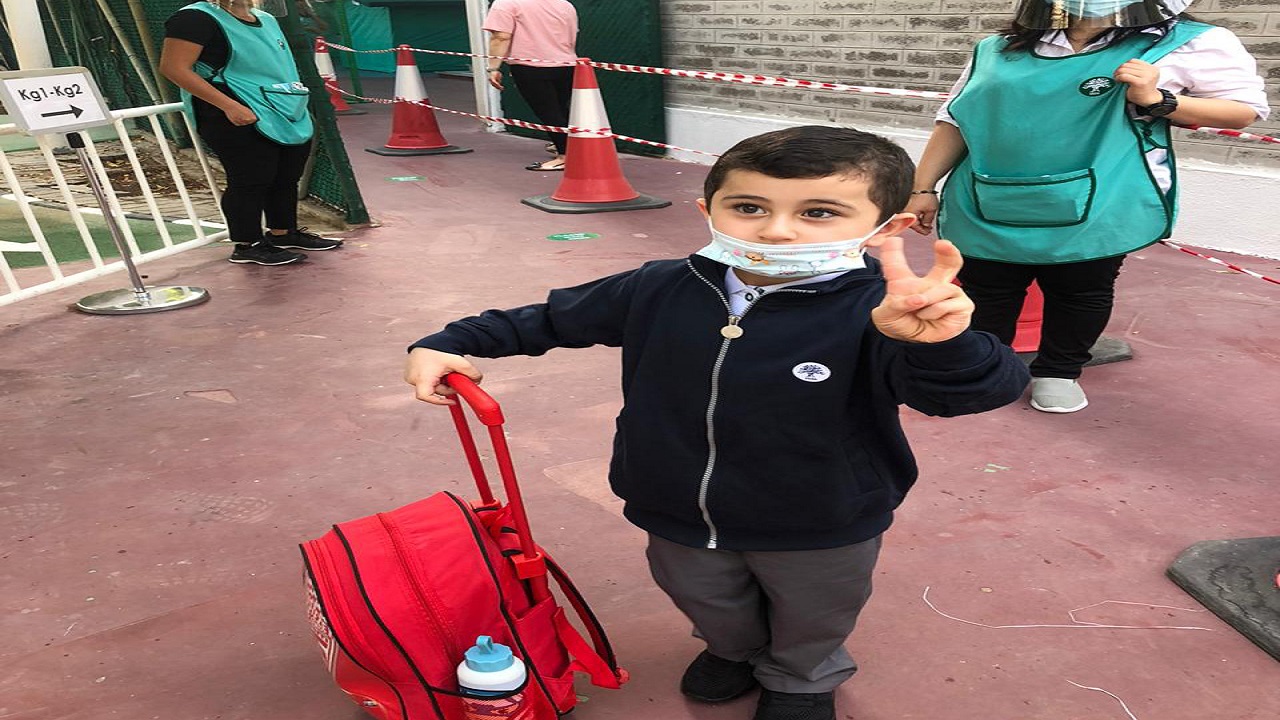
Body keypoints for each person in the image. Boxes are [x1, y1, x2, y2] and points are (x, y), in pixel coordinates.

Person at [404, 126, 1030, 720]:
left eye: (819, 212)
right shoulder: (661, 287)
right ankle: (733, 650)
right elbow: (553, 317)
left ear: (885, 227)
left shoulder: (883, 312)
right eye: (749, 207)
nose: (777, 230)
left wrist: (943, 344)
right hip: (673, 501)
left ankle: (801, 677)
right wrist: (450, 341)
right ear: (708, 210)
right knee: (703, 595)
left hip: (823, 515)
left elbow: (970, 392)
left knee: (815, 612)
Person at [906, 0, 1269, 413]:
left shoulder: (1186, 43)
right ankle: (988, 368)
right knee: (987, 289)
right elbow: (955, 119)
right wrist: (923, 187)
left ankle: (1059, 372)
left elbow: (1243, 111)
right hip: (987, 192)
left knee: (1080, 289)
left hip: (1103, 197)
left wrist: (1158, 98)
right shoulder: (996, 48)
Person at [160, 0, 344, 266]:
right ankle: (247, 244)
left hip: (280, 105)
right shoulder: (195, 18)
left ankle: (283, 233)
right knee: (251, 177)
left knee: (287, 173)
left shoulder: (265, 19)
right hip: (231, 108)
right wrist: (229, 106)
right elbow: (174, 68)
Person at [482, 0, 579, 172]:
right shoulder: (564, 4)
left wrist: (493, 68)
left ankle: (565, 156)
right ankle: (566, 146)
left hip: (530, 66)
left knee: (549, 112)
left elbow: (501, 37)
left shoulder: (506, 3)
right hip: (567, 64)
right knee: (561, 109)